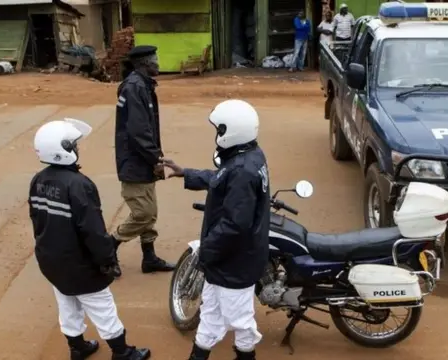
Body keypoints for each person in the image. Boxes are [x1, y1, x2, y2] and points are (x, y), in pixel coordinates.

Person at [29, 118, 151, 360]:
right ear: (63, 150)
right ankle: (121, 351)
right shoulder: (79, 185)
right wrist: (107, 259)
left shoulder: (38, 180)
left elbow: (36, 219)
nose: (77, 148)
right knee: (101, 305)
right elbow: (93, 230)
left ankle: (77, 347)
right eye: (73, 145)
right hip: (80, 264)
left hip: (50, 260)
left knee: (67, 302)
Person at [160, 99, 271, 360]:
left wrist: (206, 250)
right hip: (225, 261)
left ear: (229, 131)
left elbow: (235, 225)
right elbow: (220, 179)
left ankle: (246, 356)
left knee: (240, 321)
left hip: (234, 262)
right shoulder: (248, 156)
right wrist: (185, 173)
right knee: (210, 311)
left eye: (219, 130)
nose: (216, 135)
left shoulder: (243, 170)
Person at [111, 45, 175, 277]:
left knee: (151, 212)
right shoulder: (135, 88)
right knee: (143, 213)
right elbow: (138, 131)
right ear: (145, 64)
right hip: (135, 162)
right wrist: (155, 158)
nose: (159, 63)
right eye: (155, 60)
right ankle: (110, 246)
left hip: (143, 160)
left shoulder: (143, 86)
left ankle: (149, 258)